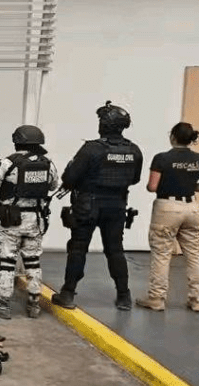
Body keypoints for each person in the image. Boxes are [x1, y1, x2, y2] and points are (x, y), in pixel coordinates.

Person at [52, 101, 144, 311]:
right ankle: (124, 296)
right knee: (115, 250)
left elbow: (70, 178)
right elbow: (135, 179)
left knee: (78, 248)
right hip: (117, 205)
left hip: (88, 204)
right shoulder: (134, 150)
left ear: (105, 124)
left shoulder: (92, 148)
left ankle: (68, 293)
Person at [0, 125, 59, 319]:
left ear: (17, 142)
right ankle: (34, 304)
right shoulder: (48, 163)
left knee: (7, 261)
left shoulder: (9, 163)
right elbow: (54, 185)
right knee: (33, 261)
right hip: (36, 219)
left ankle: (3, 305)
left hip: (12, 219)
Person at [136, 122, 199, 313]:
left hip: (167, 208)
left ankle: (156, 299)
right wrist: (189, 185)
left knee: (162, 254)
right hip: (192, 208)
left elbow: (152, 187)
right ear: (191, 139)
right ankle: (196, 301)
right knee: (194, 256)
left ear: (173, 137)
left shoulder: (162, 158)